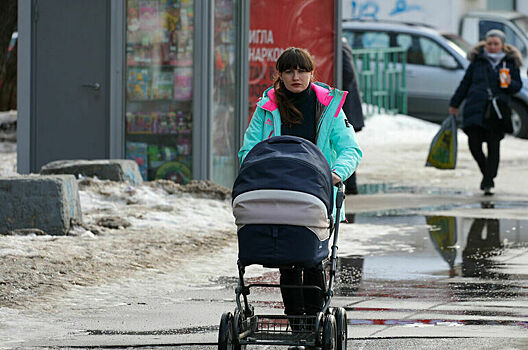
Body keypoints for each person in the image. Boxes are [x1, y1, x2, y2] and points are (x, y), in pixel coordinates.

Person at [238, 47, 362, 321]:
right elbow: (249, 149)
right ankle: (296, 321)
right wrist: (259, 172)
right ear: (279, 75)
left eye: (302, 71)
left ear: (311, 73)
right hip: (279, 189)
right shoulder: (267, 108)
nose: (296, 76)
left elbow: (350, 148)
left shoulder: (329, 108)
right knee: (288, 261)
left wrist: (336, 173)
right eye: (289, 71)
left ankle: (314, 319)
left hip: (317, 192)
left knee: (313, 259)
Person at [449, 29, 522, 196]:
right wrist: (455, 103)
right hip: (476, 108)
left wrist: (509, 83)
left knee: (493, 146)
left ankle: (488, 180)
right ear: (485, 44)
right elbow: (465, 84)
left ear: (503, 46)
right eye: (489, 43)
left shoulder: (510, 63)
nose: (492, 47)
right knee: (474, 145)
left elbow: (517, 87)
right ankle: (487, 173)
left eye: (496, 44)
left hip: (497, 111)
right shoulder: (477, 62)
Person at [342, 37, 365, 195]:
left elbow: (347, 73)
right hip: (348, 107)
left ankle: (351, 186)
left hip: (346, 107)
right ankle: (350, 185)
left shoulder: (339, 46)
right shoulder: (341, 44)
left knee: (345, 146)